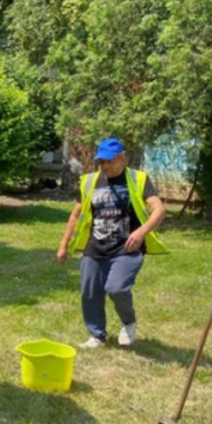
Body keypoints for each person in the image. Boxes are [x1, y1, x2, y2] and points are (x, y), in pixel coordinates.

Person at [56, 138, 167, 348]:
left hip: (127, 248)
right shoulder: (90, 182)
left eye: (110, 161)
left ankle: (128, 322)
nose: (105, 166)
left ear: (122, 158)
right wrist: (64, 245)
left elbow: (159, 209)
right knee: (90, 292)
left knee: (116, 288)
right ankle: (97, 334)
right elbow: (75, 215)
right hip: (95, 247)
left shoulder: (138, 179)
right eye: (102, 162)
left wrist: (141, 232)